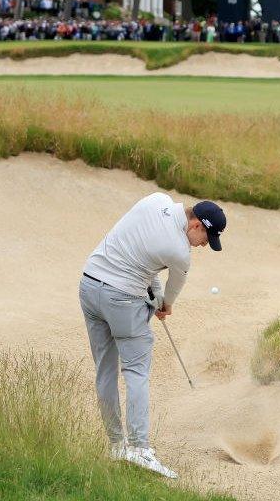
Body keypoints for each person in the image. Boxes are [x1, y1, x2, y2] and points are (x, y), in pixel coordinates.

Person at [78, 193, 227, 479]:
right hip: (120, 298)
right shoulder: (180, 252)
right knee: (136, 371)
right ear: (196, 225)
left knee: (105, 371)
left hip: (89, 284)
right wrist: (164, 303)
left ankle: (116, 446)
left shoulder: (155, 200)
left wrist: (153, 291)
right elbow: (173, 291)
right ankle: (139, 449)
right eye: (206, 240)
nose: (204, 246)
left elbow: (141, 248)